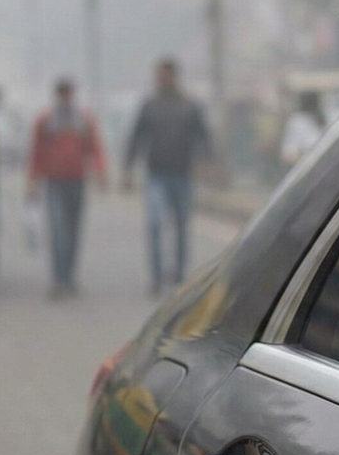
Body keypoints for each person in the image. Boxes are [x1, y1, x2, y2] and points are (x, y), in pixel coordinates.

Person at [123, 58, 212, 296]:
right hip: (156, 174)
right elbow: (137, 136)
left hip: (182, 173)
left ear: (173, 76)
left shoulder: (189, 105)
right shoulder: (150, 105)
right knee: (155, 222)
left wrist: (205, 162)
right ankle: (156, 275)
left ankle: (180, 274)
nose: (160, 80)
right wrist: (128, 168)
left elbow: (202, 136)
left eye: (163, 75)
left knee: (182, 224)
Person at [28, 77, 108, 297]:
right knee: (57, 230)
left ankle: (70, 277)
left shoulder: (82, 120)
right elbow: (37, 153)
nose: (65, 97)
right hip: (54, 181)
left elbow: (94, 147)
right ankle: (58, 279)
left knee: (73, 231)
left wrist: (100, 171)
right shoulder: (46, 121)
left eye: (67, 93)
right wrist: (33, 181)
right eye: (61, 93)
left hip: (77, 180)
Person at [280, 91, 326, 168]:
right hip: (308, 166)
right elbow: (288, 154)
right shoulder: (297, 120)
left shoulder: (296, 120)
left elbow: (288, 154)